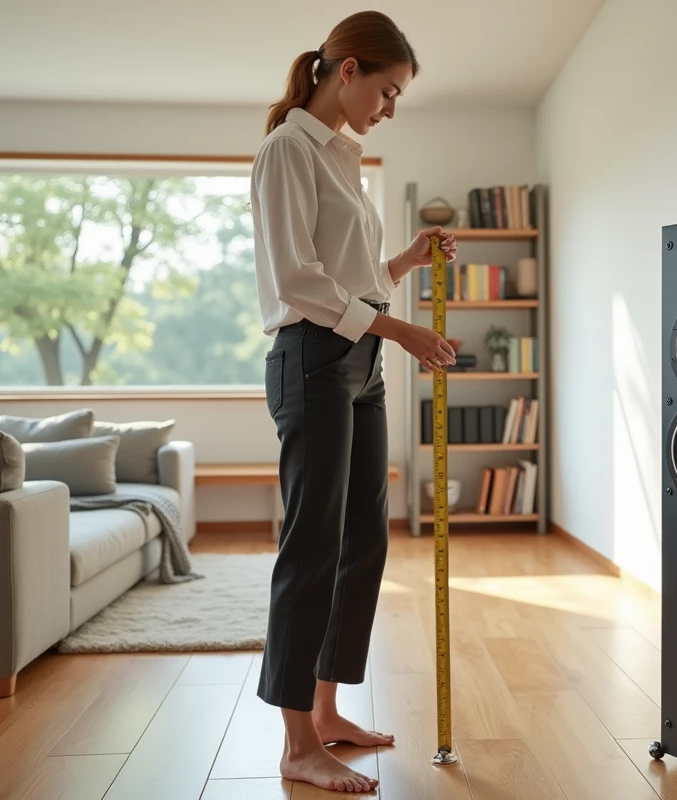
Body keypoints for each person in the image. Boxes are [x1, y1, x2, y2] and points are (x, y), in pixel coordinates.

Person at [249, 10, 457, 794]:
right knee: (311, 544)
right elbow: (299, 281)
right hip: (311, 360)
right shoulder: (285, 151)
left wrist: (402, 260)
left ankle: (329, 711)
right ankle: (297, 744)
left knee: (364, 540)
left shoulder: (342, 157)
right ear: (347, 71)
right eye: (387, 89)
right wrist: (399, 331)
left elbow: (352, 276)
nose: (389, 107)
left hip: (359, 362)